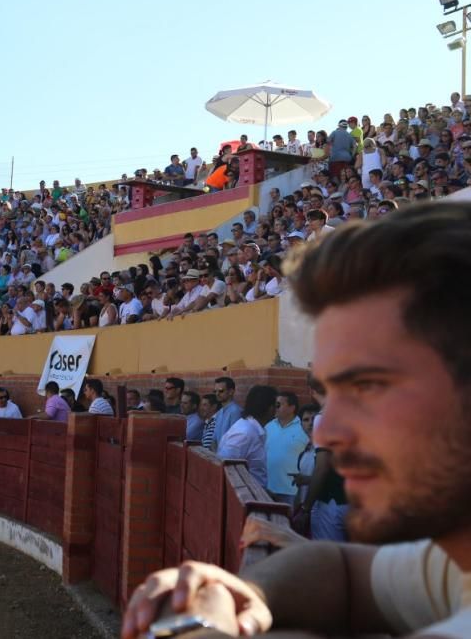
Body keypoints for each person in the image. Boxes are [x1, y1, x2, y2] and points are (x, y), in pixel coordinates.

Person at [122, 202, 471, 639]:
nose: (324, 431)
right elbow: (344, 570)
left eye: (371, 387)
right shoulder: (454, 560)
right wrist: (250, 595)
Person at [217, 385, 275, 486]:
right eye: (276, 405)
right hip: (243, 496)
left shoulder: (249, 429)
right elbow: (225, 467)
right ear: (270, 408)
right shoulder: (245, 433)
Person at [264, 391, 310, 505]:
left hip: (292, 491)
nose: (275, 407)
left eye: (279, 404)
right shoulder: (268, 426)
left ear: (291, 408)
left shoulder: (304, 427)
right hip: (267, 489)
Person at [210, 376, 242, 448]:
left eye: (221, 391)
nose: (217, 394)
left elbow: (235, 440)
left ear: (231, 392)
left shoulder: (235, 411)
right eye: (215, 391)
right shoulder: (219, 412)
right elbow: (214, 439)